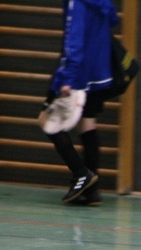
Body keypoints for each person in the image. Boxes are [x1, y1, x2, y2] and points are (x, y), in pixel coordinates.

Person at [40, 0, 120, 206]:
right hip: (99, 72)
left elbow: (73, 41)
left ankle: (81, 174)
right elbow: (112, 18)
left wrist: (67, 79)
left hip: (77, 75)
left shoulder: (76, 2)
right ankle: (91, 192)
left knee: (47, 121)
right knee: (87, 124)